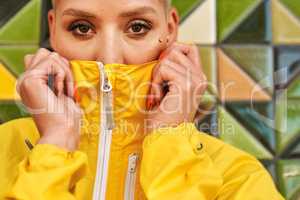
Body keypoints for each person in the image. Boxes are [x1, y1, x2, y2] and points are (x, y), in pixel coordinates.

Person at [0, 0, 284, 199]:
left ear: (170, 29)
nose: (110, 57)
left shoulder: (238, 176)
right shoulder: (4, 149)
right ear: (53, 28)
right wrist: (56, 144)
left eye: (137, 26)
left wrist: (169, 143)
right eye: (82, 27)